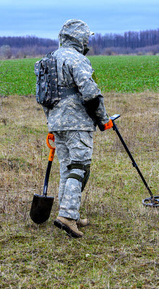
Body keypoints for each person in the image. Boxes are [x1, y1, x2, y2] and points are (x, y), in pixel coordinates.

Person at [39, 19, 113, 238]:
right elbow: (90, 92)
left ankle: (71, 211)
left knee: (67, 169)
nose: (88, 41)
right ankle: (68, 216)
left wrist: (51, 123)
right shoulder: (77, 59)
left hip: (56, 123)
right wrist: (103, 119)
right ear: (78, 38)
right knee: (79, 167)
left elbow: (43, 98)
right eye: (86, 37)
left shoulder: (48, 59)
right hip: (77, 123)